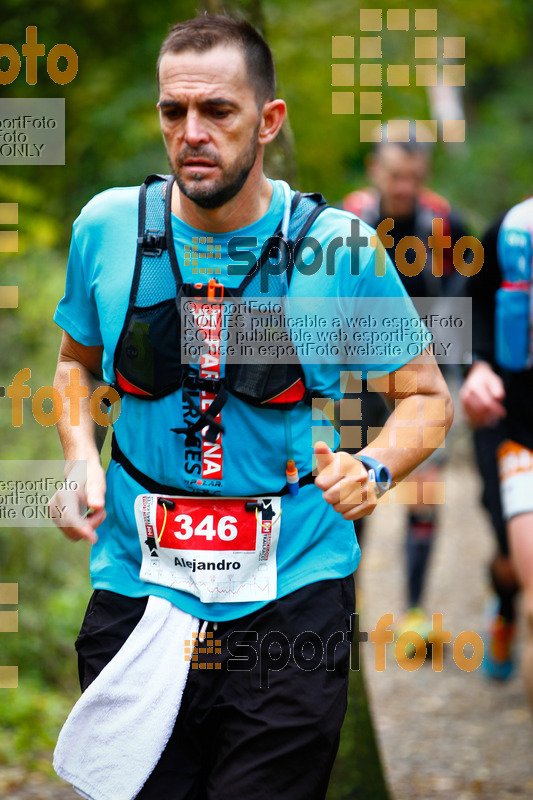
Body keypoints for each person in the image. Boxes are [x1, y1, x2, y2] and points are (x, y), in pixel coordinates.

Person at [49, 16, 453, 799]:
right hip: (139, 592)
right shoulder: (108, 228)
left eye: (217, 112)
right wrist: (76, 455)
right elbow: (74, 365)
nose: (191, 133)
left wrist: (373, 467)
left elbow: (425, 401)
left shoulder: (338, 250)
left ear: (268, 120)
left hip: (292, 599)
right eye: (174, 112)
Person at [343, 128, 468, 641]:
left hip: (419, 375)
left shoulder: (441, 221)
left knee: (424, 491)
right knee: (352, 482)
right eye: (395, 176)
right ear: (376, 169)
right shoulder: (351, 220)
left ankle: (415, 612)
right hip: (355, 376)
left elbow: (468, 290)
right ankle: (347, 608)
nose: (403, 187)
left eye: (413, 178)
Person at [461, 206, 530, 688]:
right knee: (514, 558)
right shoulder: (511, 232)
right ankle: (507, 607)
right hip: (510, 422)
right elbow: (466, 308)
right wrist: (478, 366)